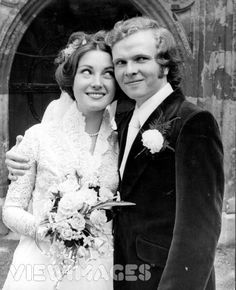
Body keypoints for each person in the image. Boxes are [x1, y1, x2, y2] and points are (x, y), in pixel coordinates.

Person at [5, 16, 224, 290]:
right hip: (99, 272)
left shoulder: (192, 122)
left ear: (165, 65)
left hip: (157, 278)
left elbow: (199, 232)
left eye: (141, 59)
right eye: (120, 63)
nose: (129, 70)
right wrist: (51, 226)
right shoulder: (124, 121)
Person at [3, 30, 119, 290]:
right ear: (71, 79)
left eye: (108, 73)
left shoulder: (120, 143)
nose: (97, 82)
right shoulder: (38, 137)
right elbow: (10, 210)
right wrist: (50, 228)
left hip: (97, 269)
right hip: (38, 268)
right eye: (87, 71)